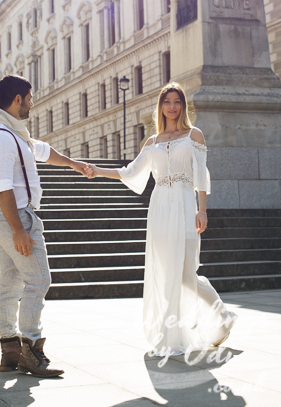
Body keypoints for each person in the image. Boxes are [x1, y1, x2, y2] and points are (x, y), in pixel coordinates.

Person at [86, 82, 237, 357]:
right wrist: (97, 170)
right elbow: (130, 172)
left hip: (183, 204)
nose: (172, 106)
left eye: (177, 101)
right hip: (159, 209)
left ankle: (221, 315)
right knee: (167, 271)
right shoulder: (151, 142)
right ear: (161, 106)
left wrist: (202, 210)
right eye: (167, 101)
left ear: (182, 105)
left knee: (186, 273)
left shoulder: (194, 135)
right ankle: (171, 334)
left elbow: (201, 176)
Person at [0, 75, 89, 377]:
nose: (32, 102)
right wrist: (18, 229)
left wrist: (74, 164)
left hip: (8, 218)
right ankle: (31, 348)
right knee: (39, 280)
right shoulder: (3, 137)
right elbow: (3, 187)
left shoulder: (14, 133)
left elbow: (42, 150)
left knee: (11, 284)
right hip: (15, 217)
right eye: (30, 97)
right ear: (18, 100)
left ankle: (10, 351)